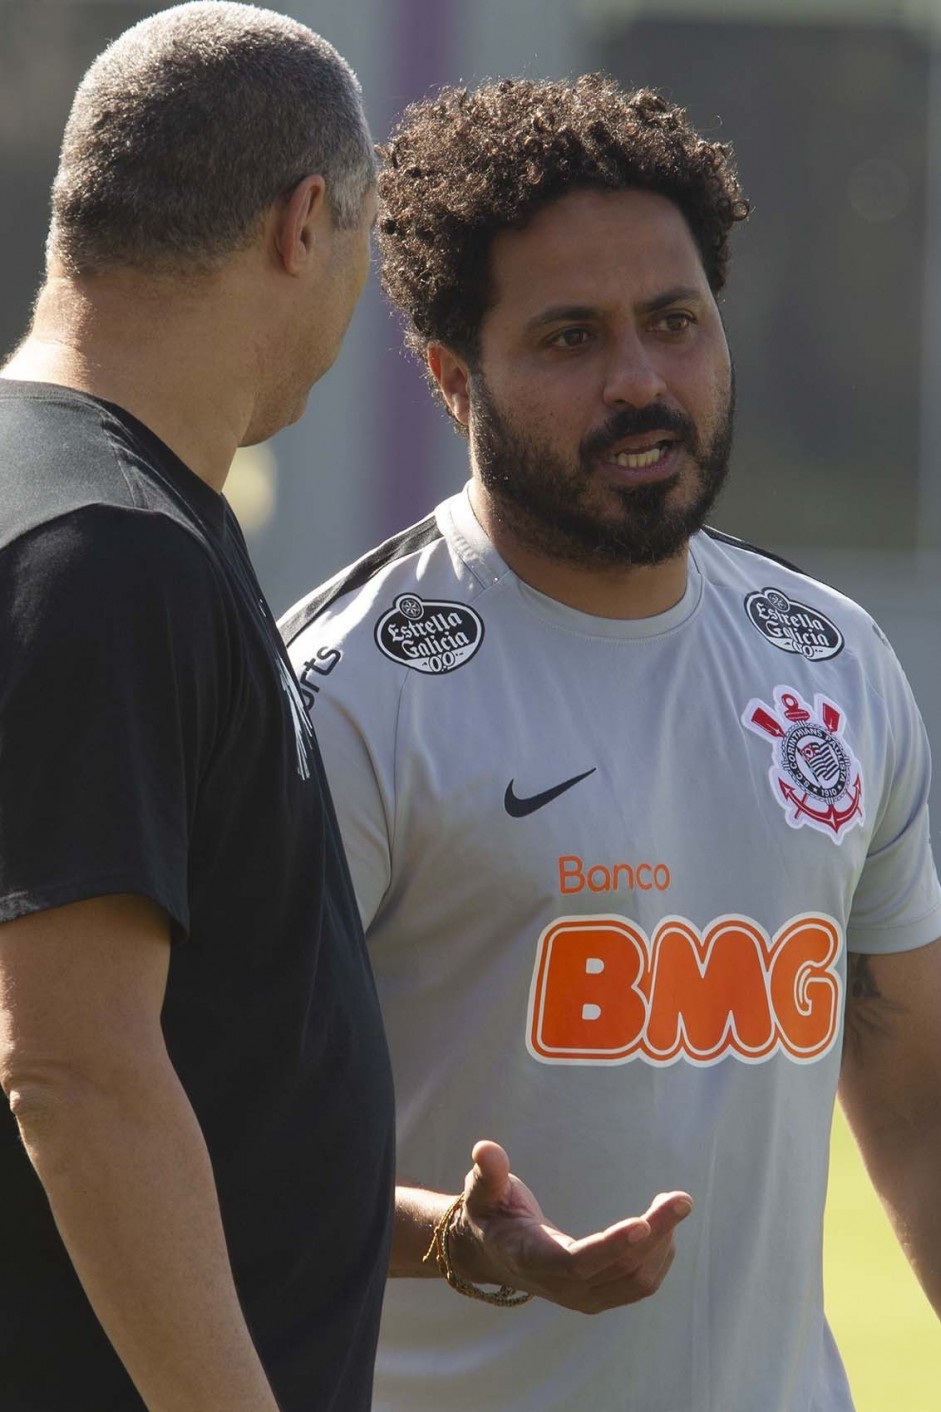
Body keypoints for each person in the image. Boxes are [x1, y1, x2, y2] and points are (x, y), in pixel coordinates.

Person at [281, 76, 941, 1412]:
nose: (639, 379)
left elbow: (914, 1083)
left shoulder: (832, 663)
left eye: (673, 323)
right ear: (449, 375)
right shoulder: (345, 690)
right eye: (571, 337)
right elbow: (214, 1135)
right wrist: (460, 1246)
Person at [0, 5, 393, 1409]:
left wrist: (412, 1233)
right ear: (304, 225)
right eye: (367, 242)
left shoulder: (76, 504)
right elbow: (73, 1072)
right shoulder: (102, 550)